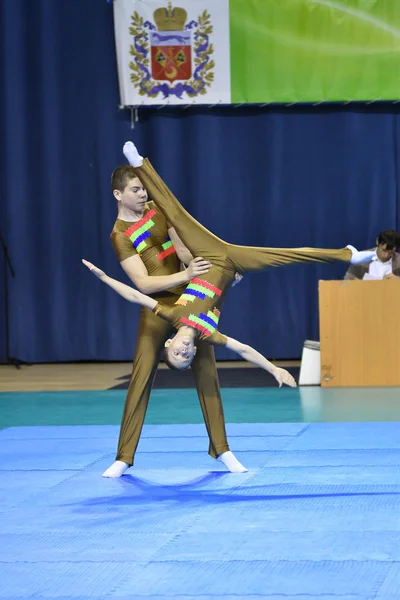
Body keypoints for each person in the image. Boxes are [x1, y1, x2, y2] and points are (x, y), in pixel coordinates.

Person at [84, 142, 375, 380]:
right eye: (187, 357)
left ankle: (139, 163)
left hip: (207, 255)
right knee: (286, 256)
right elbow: (244, 349)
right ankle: (347, 254)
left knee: (172, 208)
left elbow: (136, 295)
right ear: (194, 353)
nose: (184, 352)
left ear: (170, 343)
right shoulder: (209, 334)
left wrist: (104, 278)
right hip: (231, 263)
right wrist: (273, 368)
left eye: (176, 353)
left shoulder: (172, 314)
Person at [104, 160, 246, 479]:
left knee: (207, 372)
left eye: (144, 188)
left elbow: (183, 251)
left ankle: (222, 450)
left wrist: (213, 272)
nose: (143, 194)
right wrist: (184, 274)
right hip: (155, 307)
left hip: (189, 302)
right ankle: (124, 456)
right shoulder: (119, 235)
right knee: (140, 377)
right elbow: (142, 283)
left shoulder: (158, 209)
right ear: (118, 194)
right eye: (136, 189)